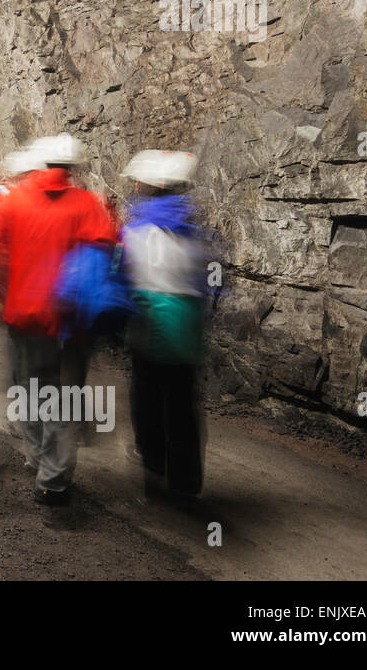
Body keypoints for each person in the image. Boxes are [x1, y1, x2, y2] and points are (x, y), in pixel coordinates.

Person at [0, 133, 116, 505]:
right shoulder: (87, 204)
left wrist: (4, 290)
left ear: (40, 164)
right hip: (69, 318)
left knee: (30, 387)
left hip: (24, 314)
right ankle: (52, 481)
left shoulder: (15, 201)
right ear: (72, 168)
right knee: (63, 395)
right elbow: (105, 251)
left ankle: (35, 455)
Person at [120, 150, 208, 498]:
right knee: (183, 405)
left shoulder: (135, 231)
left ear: (147, 188)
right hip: (187, 329)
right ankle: (186, 483)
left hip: (150, 324)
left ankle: (154, 466)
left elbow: (123, 276)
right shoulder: (195, 232)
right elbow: (209, 282)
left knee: (147, 399)